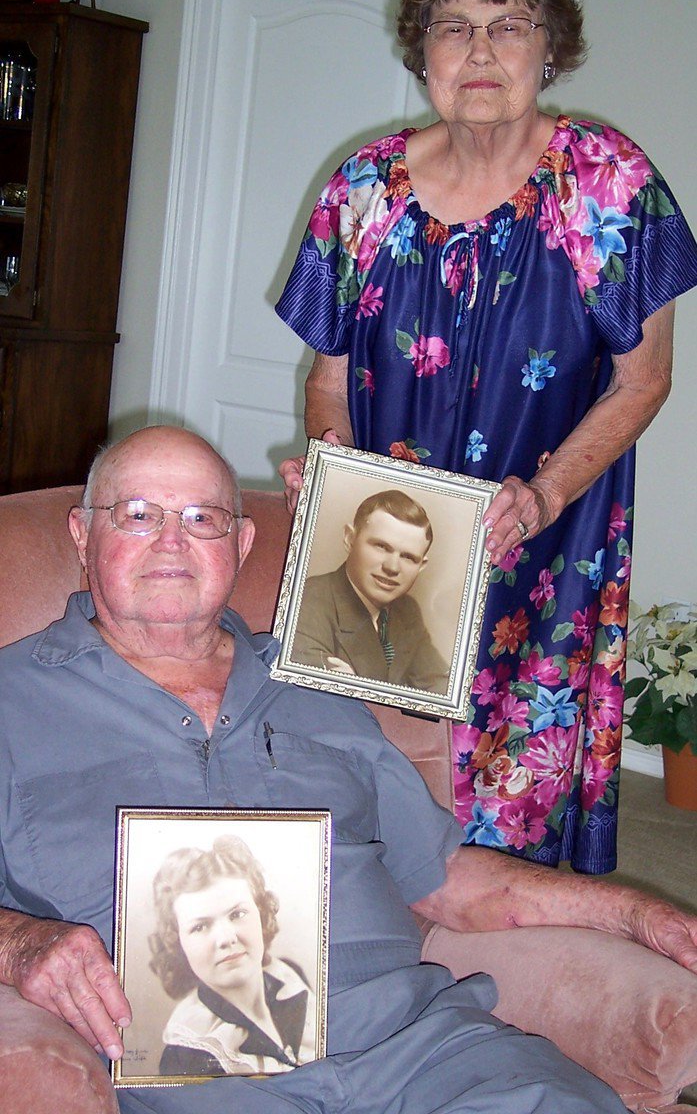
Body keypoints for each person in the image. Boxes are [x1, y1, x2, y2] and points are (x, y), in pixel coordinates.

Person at [0, 425, 696, 1114]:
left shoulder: (320, 682)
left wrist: (634, 915)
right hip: (189, 1071)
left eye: (202, 518)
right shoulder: (11, 700)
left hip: (412, 1047)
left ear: (241, 546)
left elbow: (443, 878)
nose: (172, 541)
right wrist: (20, 944)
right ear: (82, 535)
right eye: (138, 514)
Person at [275, 0, 697, 874]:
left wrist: (543, 497)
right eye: (452, 26)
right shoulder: (362, 190)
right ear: (418, 49)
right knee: (372, 768)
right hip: (391, 535)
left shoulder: (607, 182)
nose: (477, 51)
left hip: (543, 532)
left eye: (509, 26)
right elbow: (326, 377)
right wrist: (336, 476)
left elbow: (645, 377)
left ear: (552, 49)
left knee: (512, 774)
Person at [149, 835, 317, 1077]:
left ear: (260, 913)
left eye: (237, 914)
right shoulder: (188, 1052)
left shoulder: (291, 977)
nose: (226, 938)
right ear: (178, 942)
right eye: (200, 926)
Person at [292, 489, 449, 692]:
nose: (392, 567)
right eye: (381, 546)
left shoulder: (407, 610)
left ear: (421, 566)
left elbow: (439, 687)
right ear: (350, 538)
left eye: (408, 557)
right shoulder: (307, 601)